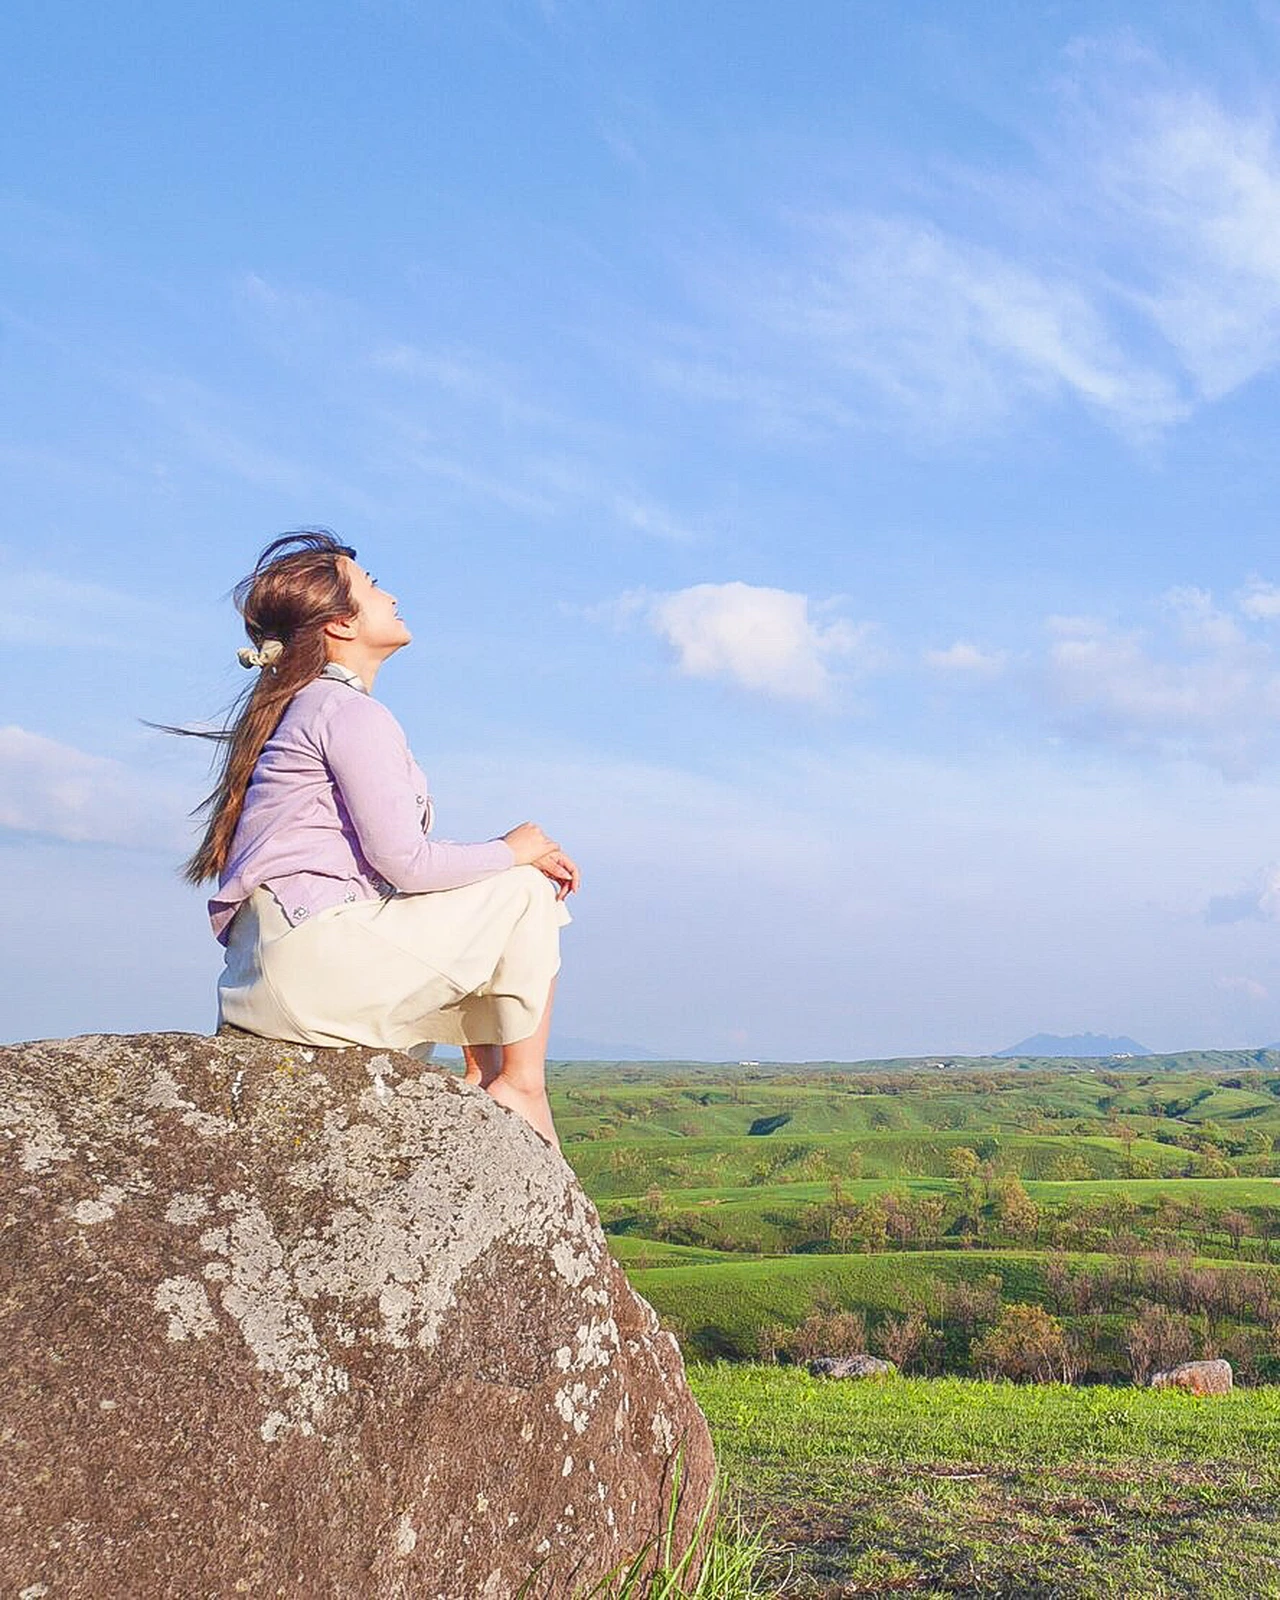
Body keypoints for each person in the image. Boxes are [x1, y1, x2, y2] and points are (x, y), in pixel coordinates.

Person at [181, 530, 577, 1148]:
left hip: (267, 974)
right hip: (311, 966)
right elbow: (408, 865)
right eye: (371, 587)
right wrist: (517, 849)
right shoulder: (347, 711)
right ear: (341, 624)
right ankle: (520, 1084)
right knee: (527, 888)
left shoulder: (304, 706)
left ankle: (484, 1071)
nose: (391, 594)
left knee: (494, 887)